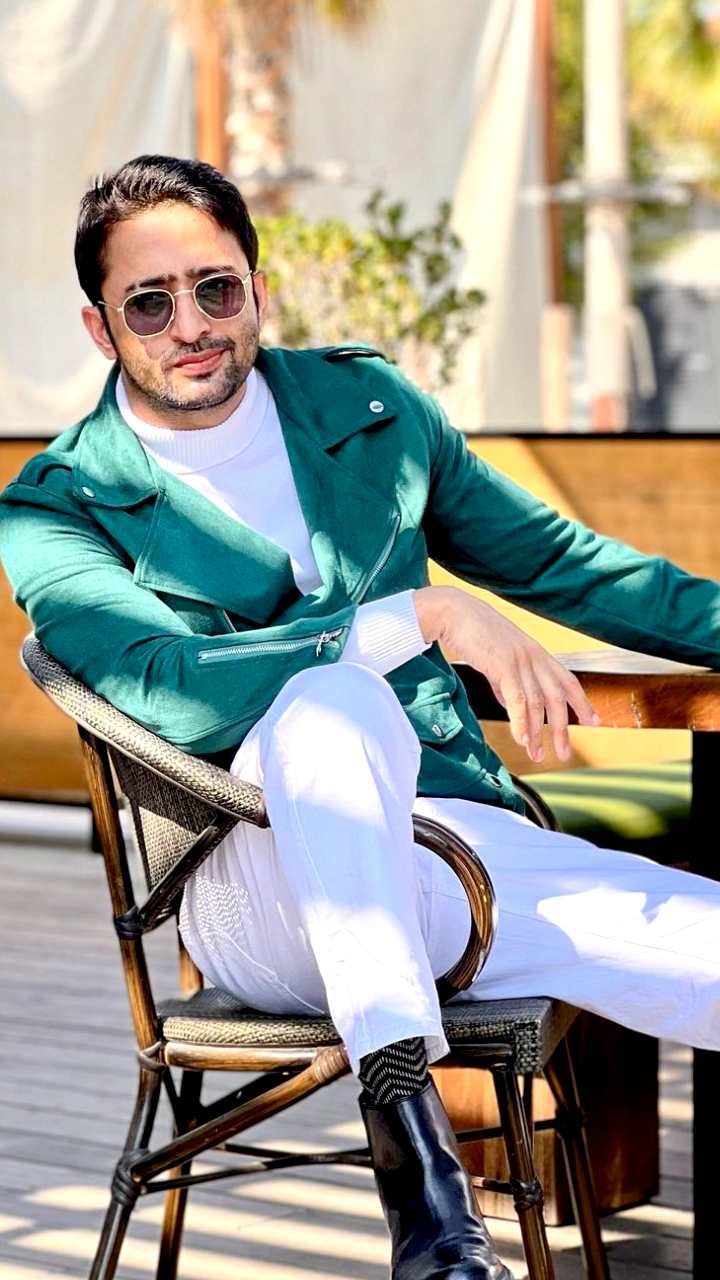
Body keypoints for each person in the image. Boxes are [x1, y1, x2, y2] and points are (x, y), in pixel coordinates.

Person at [2, 154, 720, 1280]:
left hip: (448, 857)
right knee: (332, 702)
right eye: (149, 303)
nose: (191, 324)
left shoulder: (367, 411)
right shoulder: (58, 506)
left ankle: (436, 1227)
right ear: (101, 327)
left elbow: (565, 565)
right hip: (252, 885)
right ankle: (421, 1183)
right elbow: (165, 681)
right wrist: (415, 616)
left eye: (215, 287)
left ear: (257, 288)